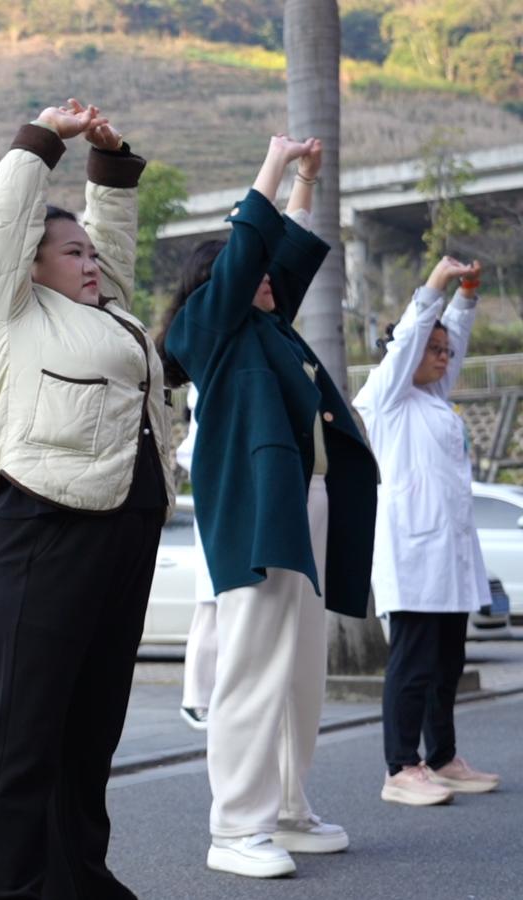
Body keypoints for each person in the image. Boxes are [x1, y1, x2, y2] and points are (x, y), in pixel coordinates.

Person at [0, 99, 173, 898]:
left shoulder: (106, 317)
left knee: (88, 731)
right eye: (71, 252)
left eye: (89, 253)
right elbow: (3, 224)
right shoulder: (3, 317)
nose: (90, 263)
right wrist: (44, 142)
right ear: (30, 265)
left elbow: (114, 248)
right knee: (23, 740)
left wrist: (109, 165)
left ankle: (78, 880)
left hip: (123, 531)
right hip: (43, 531)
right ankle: (9, 890)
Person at [159, 135, 379, 879]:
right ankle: (235, 827)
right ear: (217, 281)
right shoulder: (209, 334)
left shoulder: (271, 329)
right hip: (256, 515)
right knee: (253, 668)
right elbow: (255, 246)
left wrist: (307, 185)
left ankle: (286, 808)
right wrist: (275, 163)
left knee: (299, 669)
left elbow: (287, 253)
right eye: (248, 271)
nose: (267, 279)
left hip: (302, 506)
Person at [353, 256, 501, 806]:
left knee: (446, 665)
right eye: (432, 351)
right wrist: (434, 289)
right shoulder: (385, 398)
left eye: (445, 353)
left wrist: (467, 294)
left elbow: (452, 338)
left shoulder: (435, 401)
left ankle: (441, 757)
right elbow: (415, 337)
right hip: (412, 557)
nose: (443, 358)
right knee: (412, 666)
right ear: (409, 354)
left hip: (451, 556)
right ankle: (400, 767)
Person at [176, 386, 217, 732]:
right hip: (216, 504)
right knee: (211, 606)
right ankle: (197, 697)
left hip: (219, 501)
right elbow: (190, 453)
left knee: (215, 607)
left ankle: (204, 695)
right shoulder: (204, 390)